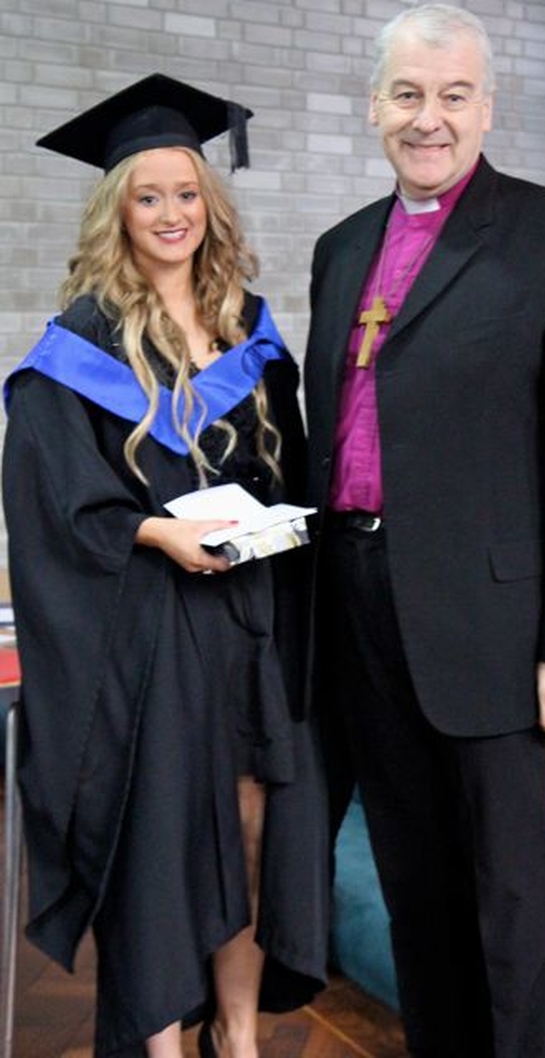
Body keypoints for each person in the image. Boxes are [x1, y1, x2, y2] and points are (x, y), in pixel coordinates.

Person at [304, 5, 545, 1057]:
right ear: (374, 106)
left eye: (453, 95)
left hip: (491, 620)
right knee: (411, 873)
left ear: (487, 106)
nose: (428, 118)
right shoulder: (340, 246)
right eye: (407, 93)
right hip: (359, 599)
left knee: (511, 887)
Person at [2, 74, 328, 1058]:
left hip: (254, 620)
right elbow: (50, 495)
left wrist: (275, 523)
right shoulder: (80, 346)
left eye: (187, 193)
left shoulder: (249, 329)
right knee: (163, 839)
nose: (172, 214)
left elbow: (292, 466)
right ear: (118, 210)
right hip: (151, 632)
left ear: (209, 203)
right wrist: (149, 532)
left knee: (253, 829)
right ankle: (159, 1037)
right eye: (149, 197)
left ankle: (235, 1028)